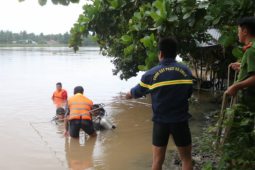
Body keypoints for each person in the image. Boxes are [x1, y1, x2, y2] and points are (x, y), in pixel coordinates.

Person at [126, 38, 193, 170]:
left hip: (160, 123)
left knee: (157, 162)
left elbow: (137, 92)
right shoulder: (186, 71)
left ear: (160, 54)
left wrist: (128, 95)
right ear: (175, 54)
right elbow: (188, 93)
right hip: (180, 121)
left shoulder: (150, 74)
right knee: (186, 160)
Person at [227, 17, 255, 113]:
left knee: (237, 127)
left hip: (247, 101)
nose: (238, 34)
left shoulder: (251, 50)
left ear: (245, 31)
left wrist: (235, 87)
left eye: (239, 31)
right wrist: (242, 66)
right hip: (249, 99)